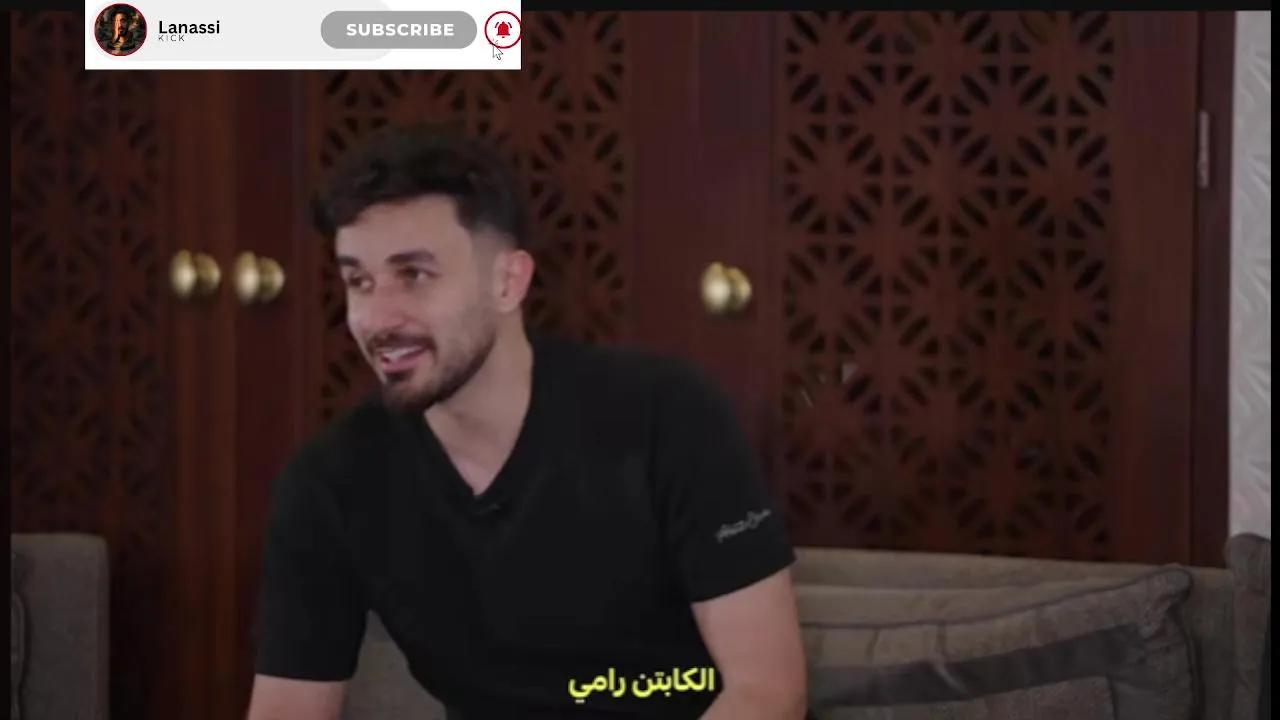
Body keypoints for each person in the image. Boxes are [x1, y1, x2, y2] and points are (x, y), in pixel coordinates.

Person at [244, 123, 808, 720]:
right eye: (359, 281)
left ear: (508, 281)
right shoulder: (332, 482)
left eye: (414, 275)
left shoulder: (666, 415)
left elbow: (767, 693)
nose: (377, 317)